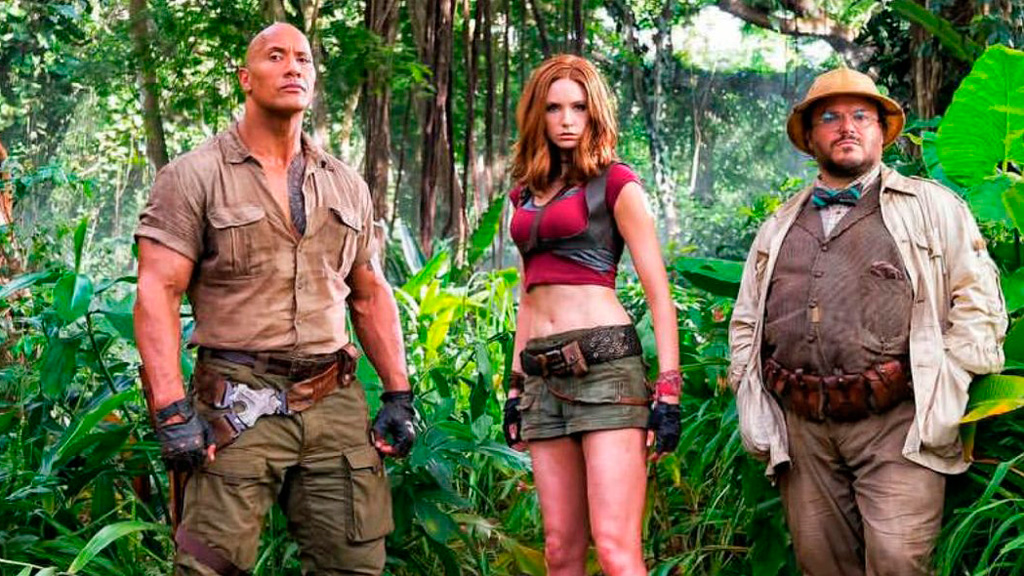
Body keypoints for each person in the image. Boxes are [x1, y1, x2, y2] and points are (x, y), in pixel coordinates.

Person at [133, 23, 414, 576]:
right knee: (209, 565)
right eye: (276, 56)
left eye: (303, 59)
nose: (293, 68)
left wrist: (398, 395)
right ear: (245, 78)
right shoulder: (193, 176)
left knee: (353, 565)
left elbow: (369, 292)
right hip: (237, 402)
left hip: (334, 401)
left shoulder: (346, 184)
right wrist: (171, 411)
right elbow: (157, 292)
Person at [729, 67, 1008, 575]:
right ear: (809, 136)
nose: (847, 127)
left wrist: (948, 383)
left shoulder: (931, 207)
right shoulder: (778, 225)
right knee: (820, 563)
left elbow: (978, 301)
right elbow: (747, 318)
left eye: (861, 115)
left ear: (881, 131)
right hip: (803, 429)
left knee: (899, 561)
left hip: (898, 423)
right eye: (829, 117)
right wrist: (749, 392)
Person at [501, 54, 681, 576]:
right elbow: (528, 295)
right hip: (542, 377)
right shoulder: (523, 195)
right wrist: (514, 387)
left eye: (578, 107)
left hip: (605, 372)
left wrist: (668, 393)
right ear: (537, 114)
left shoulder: (616, 184)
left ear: (594, 113)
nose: (567, 119)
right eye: (554, 108)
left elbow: (659, 295)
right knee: (560, 550)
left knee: (616, 550)